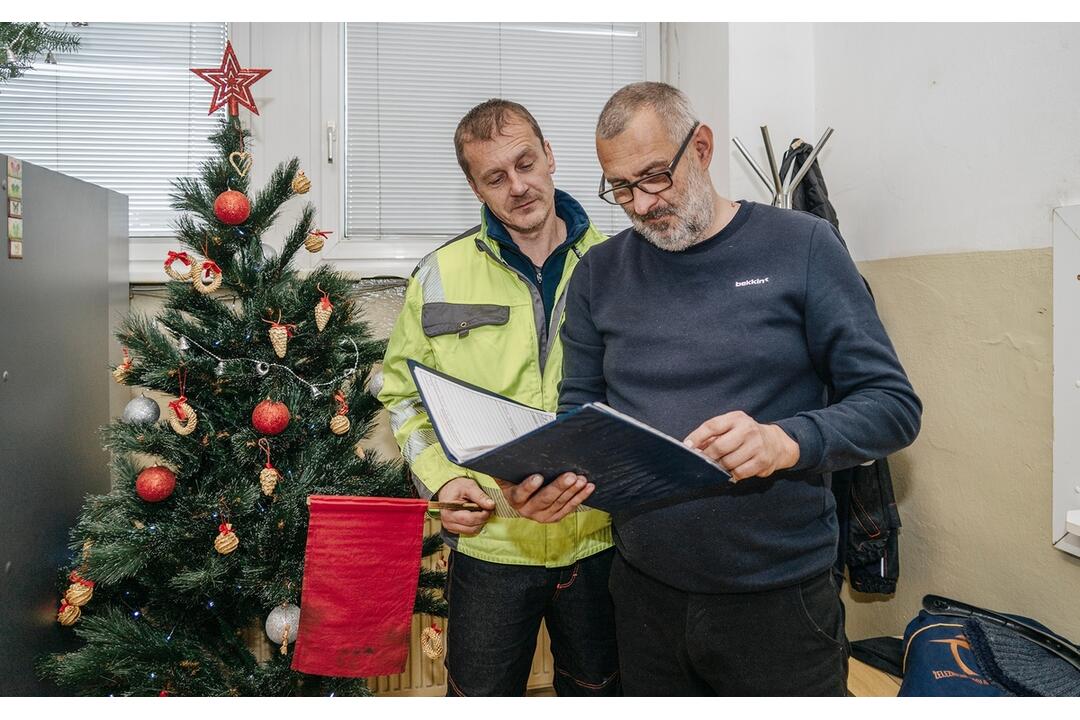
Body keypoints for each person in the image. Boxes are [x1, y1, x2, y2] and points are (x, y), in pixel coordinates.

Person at [499, 82, 922, 696]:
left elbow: (892, 406)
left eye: (654, 177)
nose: (641, 204)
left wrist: (785, 442)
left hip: (779, 600)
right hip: (643, 595)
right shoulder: (598, 273)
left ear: (700, 148)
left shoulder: (801, 245)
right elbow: (581, 414)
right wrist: (547, 478)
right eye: (620, 188)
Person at [377, 99, 618, 696]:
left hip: (600, 538)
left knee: (603, 691)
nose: (518, 187)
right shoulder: (439, 274)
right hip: (491, 542)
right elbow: (404, 394)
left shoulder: (622, 263)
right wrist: (439, 481)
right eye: (495, 177)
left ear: (550, 157)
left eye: (526, 163)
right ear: (475, 188)